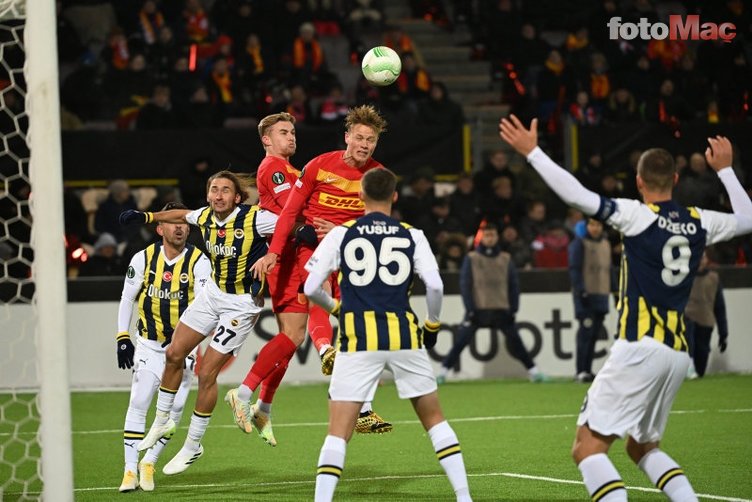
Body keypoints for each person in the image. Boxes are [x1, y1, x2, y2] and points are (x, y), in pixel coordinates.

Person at [500, 114, 752, 502]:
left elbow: (578, 197)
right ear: (676, 180)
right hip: (676, 353)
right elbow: (748, 219)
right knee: (642, 447)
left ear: (639, 181)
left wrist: (533, 153)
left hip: (639, 346)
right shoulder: (698, 221)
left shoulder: (636, 216)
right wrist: (726, 171)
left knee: (587, 449)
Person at [303, 168, 472, 502]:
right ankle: (464, 497)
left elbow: (310, 288)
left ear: (361, 195)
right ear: (394, 197)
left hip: (358, 339)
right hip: (404, 336)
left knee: (338, 433)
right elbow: (435, 286)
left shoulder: (341, 234)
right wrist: (432, 325)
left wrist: (336, 308)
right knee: (435, 421)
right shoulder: (412, 234)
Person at [119, 170, 277, 477]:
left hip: (241, 305)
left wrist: (274, 255)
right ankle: (162, 421)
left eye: (225, 190)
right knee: (174, 353)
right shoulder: (204, 216)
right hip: (213, 295)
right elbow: (182, 214)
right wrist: (148, 216)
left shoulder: (256, 219)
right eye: (214, 189)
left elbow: (290, 225)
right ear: (207, 196)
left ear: (237, 197)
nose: (219, 195)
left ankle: (193, 445)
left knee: (207, 373)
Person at [251, 105, 392, 434]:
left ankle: (363, 407)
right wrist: (274, 252)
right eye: (359, 137)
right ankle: (326, 351)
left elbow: (381, 225)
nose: (365, 144)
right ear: (347, 137)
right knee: (319, 293)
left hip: (354, 253)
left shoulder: (378, 175)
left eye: (371, 140)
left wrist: (344, 232)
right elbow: (289, 213)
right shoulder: (318, 165)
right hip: (314, 247)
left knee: (363, 326)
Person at [116, 202, 212, 492]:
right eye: (173, 222)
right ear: (160, 228)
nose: (179, 227)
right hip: (149, 344)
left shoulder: (199, 261)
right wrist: (122, 336)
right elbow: (127, 298)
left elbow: (204, 303)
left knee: (176, 408)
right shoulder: (143, 258)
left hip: (184, 349)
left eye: (184, 223)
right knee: (139, 401)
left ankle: (149, 462)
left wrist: (186, 336)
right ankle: (129, 470)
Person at [224, 112, 305, 447]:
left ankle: (264, 407)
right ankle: (243, 393)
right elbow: (291, 208)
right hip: (287, 258)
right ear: (267, 140)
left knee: (292, 338)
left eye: (293, 131)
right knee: (294, 334)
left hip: (297, 255)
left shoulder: (291, 170)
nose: (291, 136)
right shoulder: (273, 168)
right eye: (283, 132)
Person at [435, 223, 548, 384]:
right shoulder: (472, 258)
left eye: (492, 235)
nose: (490, 238)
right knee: (461, 341)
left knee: (516, 342)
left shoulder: (505, 258)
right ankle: (443, 372)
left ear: (497, 237)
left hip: (501, 308)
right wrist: (470, 308)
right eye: (487, 235)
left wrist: (513, 308)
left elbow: (513, 285)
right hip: (478, 310)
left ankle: (534, 372)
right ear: (482, 237)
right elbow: (465, 285)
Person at [568, 218, 612, 383]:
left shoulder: (606, 244)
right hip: (585, 296)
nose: (595, 228)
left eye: (598, 225)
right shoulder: (579, 244)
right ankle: (580, 370)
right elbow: (574, 270)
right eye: (592, 225)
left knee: (594, 334)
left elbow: (609, 271)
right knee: (585, 332)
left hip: (601, 295)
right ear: (586, 226)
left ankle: (587, 369)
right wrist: (581, 291)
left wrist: (614, 291)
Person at [684, 251, 728, 378]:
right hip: (687, 318)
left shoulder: (713, 279)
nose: (700, 261)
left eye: (702, 258)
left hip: (705, 322)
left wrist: (723, 334)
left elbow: (720, 308)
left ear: (706, 260)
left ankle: (695, 369)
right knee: (688, 342)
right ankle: (688, 366)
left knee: (701, 364)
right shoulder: (686, 277)